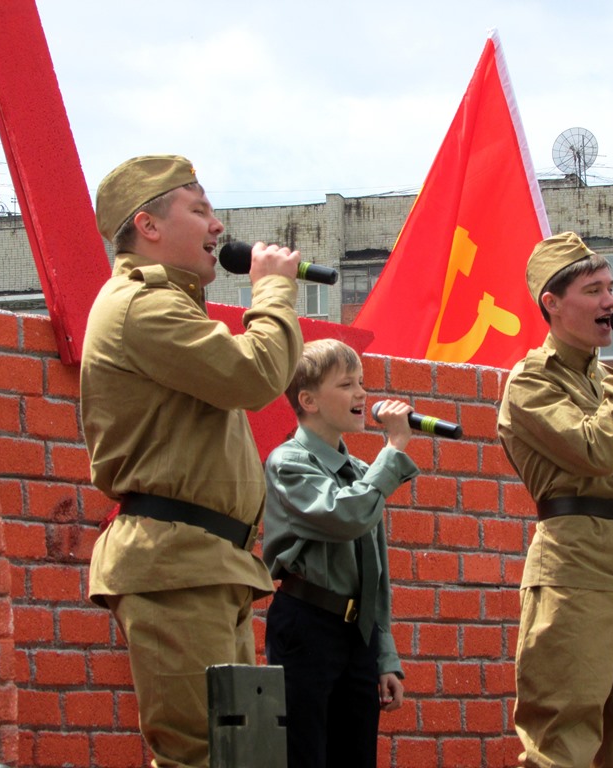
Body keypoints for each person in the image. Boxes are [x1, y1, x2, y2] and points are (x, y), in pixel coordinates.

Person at [81, 154, 304, 768]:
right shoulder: (142, 306)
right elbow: (257, 372)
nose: (217, 227)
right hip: (174, 562)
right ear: (148, 226)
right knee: (203, 755)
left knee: (245, 754)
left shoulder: (173, 306)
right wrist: (274, 289)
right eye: (199, 210)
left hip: (208, 562)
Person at [497, 231, 613, 768]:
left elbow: (608, 481)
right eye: (594, 289)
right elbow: (597, 450)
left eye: (612, 287)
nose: (612, 303)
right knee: (565, 736)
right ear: (552, 305)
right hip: (572, 577)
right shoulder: (531, 382)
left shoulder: (606, 380)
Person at [262, 338, 419, 768]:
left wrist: (384, 654)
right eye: (347, 384)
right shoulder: (288, 463)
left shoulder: (363, 474)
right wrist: (395, 448)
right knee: (305, 755)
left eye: (362, 383)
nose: (362, 395)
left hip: (358, 632)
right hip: (306, 625)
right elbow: (345, 515)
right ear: (308, 400)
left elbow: (377, 574)